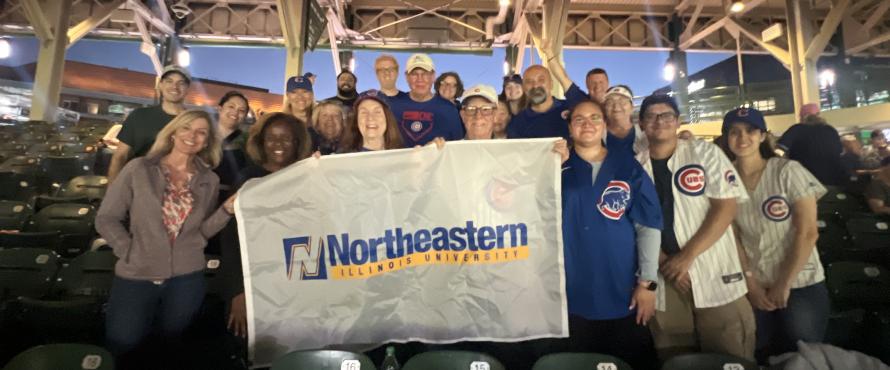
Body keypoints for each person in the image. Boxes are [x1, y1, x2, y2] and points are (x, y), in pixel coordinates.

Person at [95, 110, 235, 368]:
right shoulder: (138, 168)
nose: (192, 136)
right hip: (137, 273)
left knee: (169, 343)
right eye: (186, 128)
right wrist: (128, 249)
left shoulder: (209, 179)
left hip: (187, 277)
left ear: (207, 141)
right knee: (123, 340)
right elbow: (106, 218)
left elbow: (202, 231)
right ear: (173, 132)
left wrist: (226, 211)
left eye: (201, 132)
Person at [635, 94, 755, 361]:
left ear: (677, 122)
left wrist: (686, 257)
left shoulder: (705, 153)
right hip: (664, 275)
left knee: (731, 356)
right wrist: (666, 262)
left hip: (714, 271)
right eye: (651, 116)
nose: (659, 121)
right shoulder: (635, 165)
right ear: (641, 124)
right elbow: (635, 223)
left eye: (666, 115)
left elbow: (726, 207)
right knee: (676, 358)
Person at [552, 100, 661, 370]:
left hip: (621, 287)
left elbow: (647, 226)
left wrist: (647, 283)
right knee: (577, 362)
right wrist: (549, 168)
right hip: (570, 288)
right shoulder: (554, 167)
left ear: (604, 125)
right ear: (569, 127)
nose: (587, 124)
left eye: (594, 117)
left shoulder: (628, 167)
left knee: (629, 360)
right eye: (579, 119)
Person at [720, 107, 828, 362]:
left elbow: (808, 232)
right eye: (734, 132)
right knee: (759, 353)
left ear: (762, 136)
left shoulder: (787, 171)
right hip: (756, 284)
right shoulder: (725, 178)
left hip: (800, 282)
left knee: (803, 356)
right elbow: (732, 236)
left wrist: (784, 282)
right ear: (726, 138)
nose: (742, 137)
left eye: (750, 131)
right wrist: (750, 283)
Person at [220, 112, 312, 340]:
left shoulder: (306, 178)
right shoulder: (248, 179)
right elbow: (231, 239)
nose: (278, 144)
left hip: (294, 285)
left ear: (297, 143)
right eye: (271, 138)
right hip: (253, 284)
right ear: (262, 142)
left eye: (286, 138)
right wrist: (238, 293)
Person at [108, 65, 190, 182]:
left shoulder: (193, 122)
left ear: (187, 89)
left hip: (176, 188)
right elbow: (120, 157)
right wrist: (112, 192)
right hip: (137, 184)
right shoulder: (139, 115)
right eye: (169, 81)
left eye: (181, 83)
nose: (174, 87)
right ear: (160, 85)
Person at [506, 47, 588, 139]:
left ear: (551, 84)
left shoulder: (571, 108)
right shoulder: (517, 125)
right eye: (529, 82)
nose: (535, 85)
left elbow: (586, 104)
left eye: (541, 80)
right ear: (524, 88)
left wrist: (550, 54)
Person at [388, 53, 463, 147]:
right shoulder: (392, 106)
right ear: (407, 77)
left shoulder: (449, 110)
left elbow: (457, 148)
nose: (420, 79)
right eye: (414, 74)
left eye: (425, 74)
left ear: (433, 77)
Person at [777, 103, 846, 186]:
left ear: (802, 117)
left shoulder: (796, 130)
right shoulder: (830, 130)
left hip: (804, 184)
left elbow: (779, 150)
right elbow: (840, 153)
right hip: (833, 182)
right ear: (819, 115)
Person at [214, 90, 250, 200]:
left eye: (241, 110)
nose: (235, 112)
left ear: (244, 116)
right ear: (220, 108)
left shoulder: (247, 142)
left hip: (228, 200)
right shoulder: (202, 134)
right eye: (231, 107)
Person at [603, 85, 646, 154]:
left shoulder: (645, 135)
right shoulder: (596, 136)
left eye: (622, 101)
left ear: (632, 107)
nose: (616, 107)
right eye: (610, 102)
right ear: (605, 108)